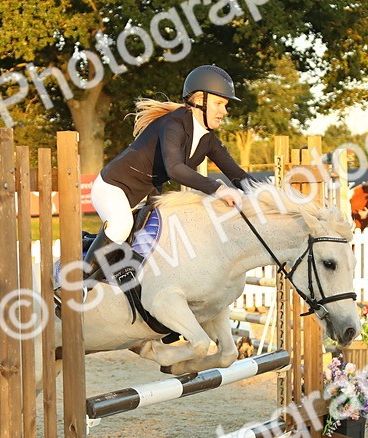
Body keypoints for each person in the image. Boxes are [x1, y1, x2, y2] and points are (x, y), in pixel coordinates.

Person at [83, 65, 252, 284]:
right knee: (121, 224)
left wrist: (270, 196)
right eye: (219, 103)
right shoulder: (173, 124)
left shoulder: (209, 140)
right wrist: (219, 189)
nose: (224, 111)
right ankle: (79, 284)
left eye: (226, 105)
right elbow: (175, 169)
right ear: (199, 100)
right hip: (113, 187)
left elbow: (237, 174)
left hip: (146, 195)